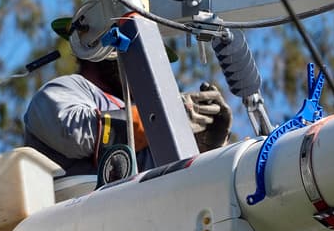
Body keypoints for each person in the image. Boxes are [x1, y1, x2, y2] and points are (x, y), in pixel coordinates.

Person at [24, 19, 231, 179]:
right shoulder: (67, 88)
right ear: (96, 44)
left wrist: (207, 146)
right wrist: (166, 118)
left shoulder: (139, 114)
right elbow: (74, 133)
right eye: (134, 49)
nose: (143, 63)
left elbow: (177, 180)